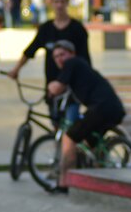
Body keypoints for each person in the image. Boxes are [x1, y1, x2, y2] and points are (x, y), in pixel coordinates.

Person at [45, 40, 126, 192]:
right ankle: (98, 178)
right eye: (56, 57)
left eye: (62, 54)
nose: (59, 59)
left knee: (69, 138)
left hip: (101, 108)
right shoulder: (79, 67)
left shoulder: (72, 63)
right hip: (113, 109)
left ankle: (64, 184)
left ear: (72, 53)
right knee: (89, 144)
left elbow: (57, 88)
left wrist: (50, 86)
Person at [8, 0, 90, 124]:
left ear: (67, 3)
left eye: (62, 1)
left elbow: (85, 59)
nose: (59, 5)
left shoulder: (77, 28)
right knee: (56, 126)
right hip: (52, 86)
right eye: (56, 1)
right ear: (51, 3)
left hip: (72, 88)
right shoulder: (46, 29)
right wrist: (16, 70)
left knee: (71, 127)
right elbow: (29, 51)